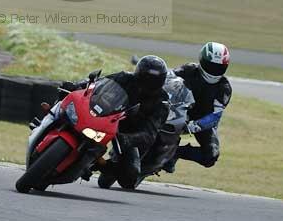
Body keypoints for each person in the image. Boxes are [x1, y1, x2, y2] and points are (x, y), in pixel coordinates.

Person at [87, 55, 170, 189]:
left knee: (129, 178)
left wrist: (126, 139)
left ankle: (103, 164)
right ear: (138, 73)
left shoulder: (162, 102)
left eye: (154, 80)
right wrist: (78, 85)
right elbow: (98, 84)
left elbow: (149, 134)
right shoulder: (124, 77)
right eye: (146, 77)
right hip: (105, 115)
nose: (148, 83)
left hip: (128, 132)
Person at [164, 42, 232, 173]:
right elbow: (168, 78)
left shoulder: (224, 88)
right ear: (202, 61)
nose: (213, 70)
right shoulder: (189, 69)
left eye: (218, 67)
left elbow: (215, 116)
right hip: (178, 110)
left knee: (211, 156)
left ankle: (176, 152)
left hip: (202, 121)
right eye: (210, 65)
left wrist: (194, 126)